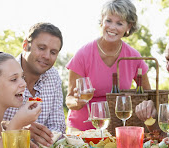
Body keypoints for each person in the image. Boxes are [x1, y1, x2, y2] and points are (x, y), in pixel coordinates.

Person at [0, 22, 66, 148]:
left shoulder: (53, 76)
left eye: (53, 52)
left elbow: (58, 127)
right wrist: (19, 129)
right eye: (42, 48)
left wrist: (42, 142)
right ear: (26, 45)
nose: (47, 56)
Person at [65, 0, 151, 132]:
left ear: (129, 26)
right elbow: (69, 99)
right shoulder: (83, 54)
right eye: (108, 20)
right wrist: (77, 102)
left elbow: (148, 96)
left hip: (116, 130)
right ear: (101, 21)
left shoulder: (134, 57)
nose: (112, 27)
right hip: (82, 130)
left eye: (119, 23)